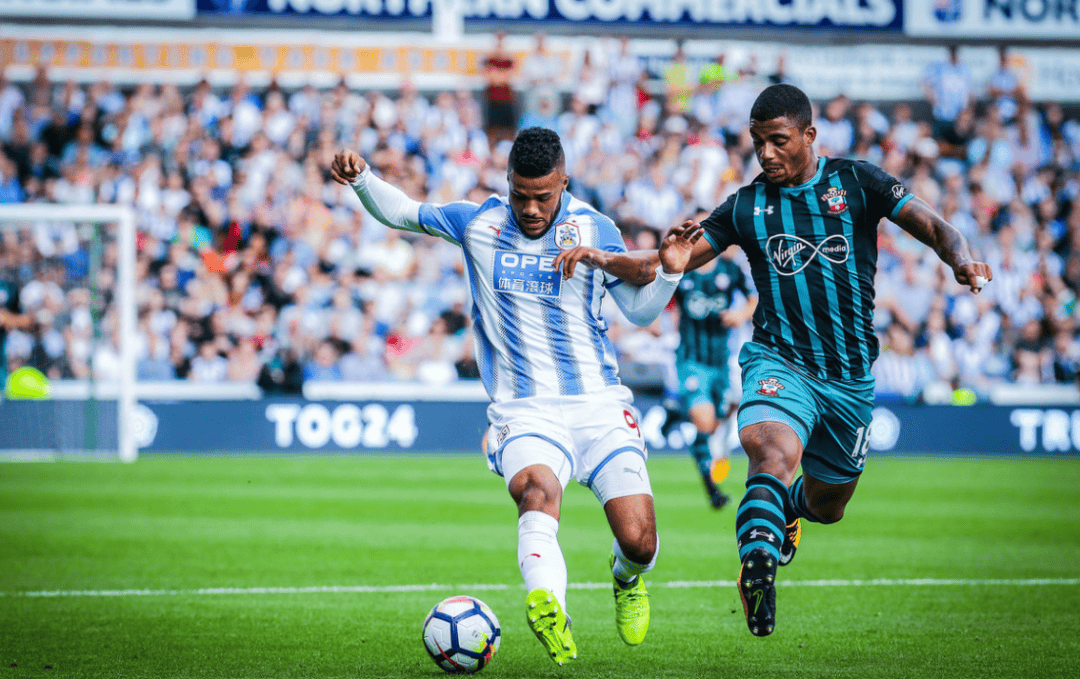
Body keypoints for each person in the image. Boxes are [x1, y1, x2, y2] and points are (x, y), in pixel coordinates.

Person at [552, 84, 992, 639]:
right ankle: (757, 563)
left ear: (809, 135)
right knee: (772, 454)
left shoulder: (858, 181)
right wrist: (601, 257)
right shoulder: (745, 206)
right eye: (758, 142)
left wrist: (960, 258)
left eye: (778, 141)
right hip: (778, 362)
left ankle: (787, 512)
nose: (766, 154)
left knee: (827, 505)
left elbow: (934, 225)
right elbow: (663, 264)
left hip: (850, 378)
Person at [330, 127, 702, 665]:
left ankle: (627, 578)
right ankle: (550, 604)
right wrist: (363, 179)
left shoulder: (595, 228)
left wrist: (668, 273)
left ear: (564, 182)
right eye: (520, 195)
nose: (530, 208)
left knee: (639, 541)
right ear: (507, 181)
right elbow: (403, 212)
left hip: (598, 402)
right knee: (536, 492)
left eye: (542, 197)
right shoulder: (478, 222)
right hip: (523, 408)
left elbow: (640, 314)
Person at [669, 220, 757, 509]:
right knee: (705, 421)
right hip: (691, 359)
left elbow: (754, 299)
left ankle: (677, 415)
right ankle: (711, 488)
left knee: (722, 414)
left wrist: (740, 315)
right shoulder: (682, 271)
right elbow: (659, 299)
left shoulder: (730, 270)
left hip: (722, 360)